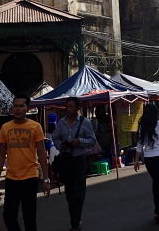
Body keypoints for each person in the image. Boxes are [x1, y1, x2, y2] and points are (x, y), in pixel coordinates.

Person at [0, 93, 50, 231]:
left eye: (21, 106)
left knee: (29, 218)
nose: (17, 109)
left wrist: (46, 179)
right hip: (12, 178)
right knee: (8, 215)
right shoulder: (5, 127)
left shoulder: (35, 127)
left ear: (27, 108)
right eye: (15, 106)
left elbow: (42, 153)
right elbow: (1, 155)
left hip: (30, 177)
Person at [51, 97, 96, 231]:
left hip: (79, 159)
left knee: (78, 193)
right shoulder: (62, 122)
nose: (69, 109)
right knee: (69, 193)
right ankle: (75, 218)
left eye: (72, 107)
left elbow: (92, 140)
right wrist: (62, 145)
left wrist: (80, 141)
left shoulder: (85, 122)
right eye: (67, 107)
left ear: (77, 108)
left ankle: (75, 224)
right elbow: (56, 138)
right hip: (66, 161)